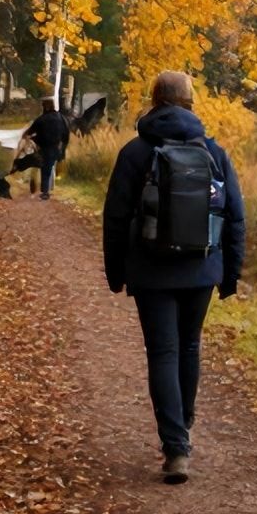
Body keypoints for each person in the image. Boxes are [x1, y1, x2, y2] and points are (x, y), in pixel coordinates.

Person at [102, 71, 245, 484]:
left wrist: (116, 272)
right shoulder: (214, 152)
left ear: (154, 100)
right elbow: (235, 217)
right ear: (191, 102)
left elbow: (114, 217)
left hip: (151, 271)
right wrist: (230, 274)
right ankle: (183, 424)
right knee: (189, 348)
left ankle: (175, 448)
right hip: (202, 269)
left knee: (163, 352)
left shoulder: (134, 153)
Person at [21, 98, 70, 200]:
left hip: (43, 147)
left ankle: (45, 191)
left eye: (43, 106)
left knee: (44, 169)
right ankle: (47, 188)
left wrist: (27, 137)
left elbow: (29, 132)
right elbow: (66, 135)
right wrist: (63, 148)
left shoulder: (42, 119)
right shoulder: (61, 118)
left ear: (45, 106)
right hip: (56, 147)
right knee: (49, 168)